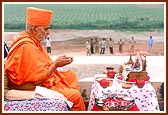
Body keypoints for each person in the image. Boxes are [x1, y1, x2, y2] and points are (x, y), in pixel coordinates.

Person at [4, 7, 85, 111]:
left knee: (70, 75)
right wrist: (56, 64)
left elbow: (42, 66)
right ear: (34, 29)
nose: (48, 32)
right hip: (31, 86)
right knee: (75, 96)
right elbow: (37, 80)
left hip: (41, 80)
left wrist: (57, 63)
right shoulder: (26, 46)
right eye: (46, 29)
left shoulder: (33, 41)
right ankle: (70, 98)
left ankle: (66, 100)